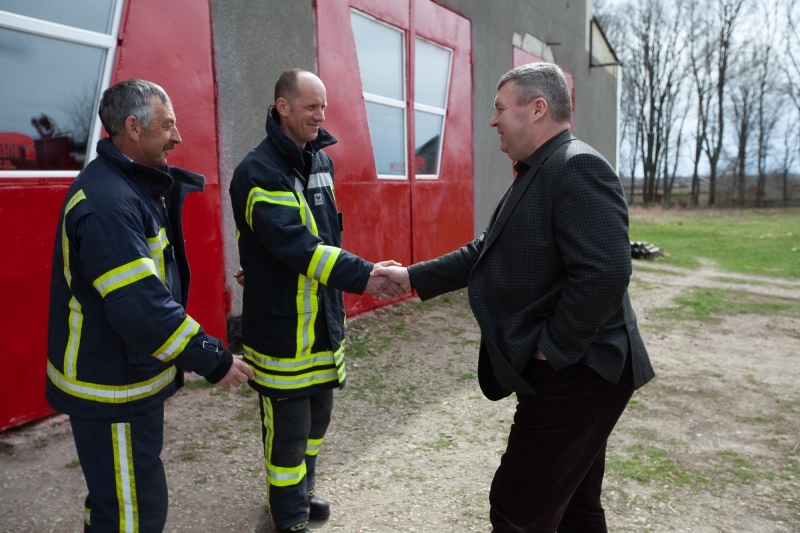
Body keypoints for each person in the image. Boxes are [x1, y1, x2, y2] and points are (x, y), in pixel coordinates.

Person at [373, 63, 655, 532]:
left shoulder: (575, 165)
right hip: (579, 371)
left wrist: (552, 348)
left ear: (538, 108)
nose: (493, 120)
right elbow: (487, 251)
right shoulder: (540, 170)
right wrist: (411, 276)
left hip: (580, 370)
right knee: (575, 508)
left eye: (501, 108)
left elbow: (607, 271)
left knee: (518, 507)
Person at [46, 79, 254, 533]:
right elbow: (142, 308)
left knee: (115, 499)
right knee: (132, 512)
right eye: (168, 125)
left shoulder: (127, 186)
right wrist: (214, 360)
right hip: (112, 388)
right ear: (134, 128)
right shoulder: (110, 204)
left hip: (124, 379)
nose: (177, 137)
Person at [228, 68, 404, 533]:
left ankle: (302, 492)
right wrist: (363, 274)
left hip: (321, 322)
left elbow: (323, 235)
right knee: (287, 431)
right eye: (311, 106)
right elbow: (297, 246)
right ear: (282, 106)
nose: (321, 115)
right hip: (283, 330)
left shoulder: (319, 161)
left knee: (317, 420)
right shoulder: (258, 171)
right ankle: (286, 514)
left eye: (323, 106)